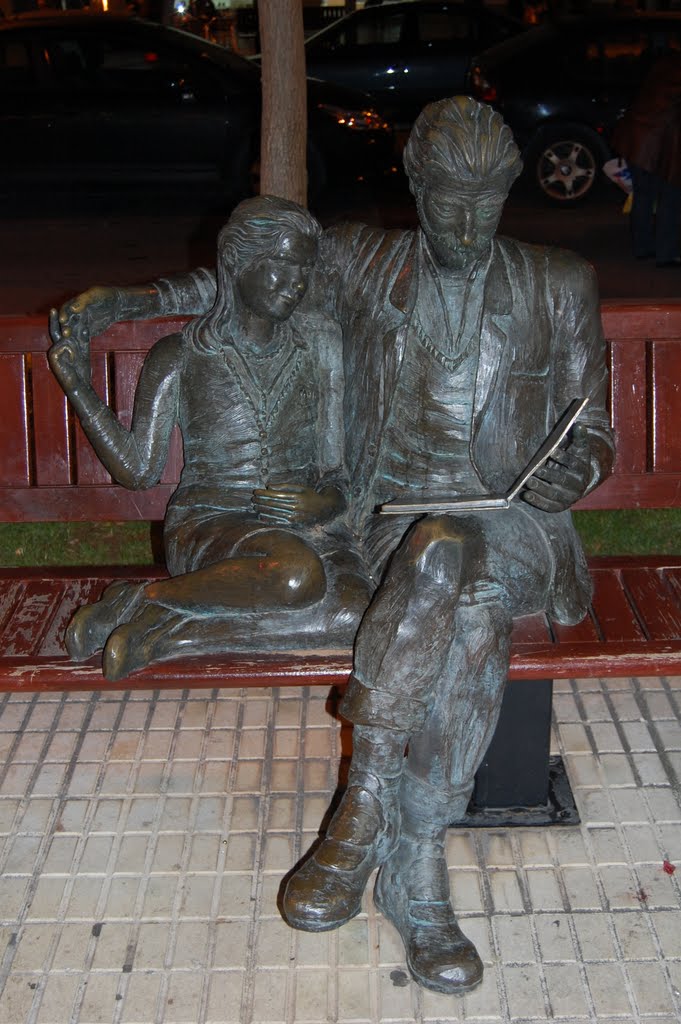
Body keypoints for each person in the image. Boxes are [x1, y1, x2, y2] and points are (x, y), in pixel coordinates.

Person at [56, 97, 613, 994]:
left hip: (512, 522)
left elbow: (594, 431)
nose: (465, 224)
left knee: (451, 562)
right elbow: (242, 279)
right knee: (453, 592)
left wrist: (574, 472)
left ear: (509, 193)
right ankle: (417, 873)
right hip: (395, 517)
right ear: (415, 188)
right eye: (446, 201)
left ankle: (361, 816)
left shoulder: (557, 281)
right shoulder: (363, 262)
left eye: (485, 203)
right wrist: (129, 300)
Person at [49, 195, 371, 681]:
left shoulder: (320, 343)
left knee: (356, 613)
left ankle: (162, 626)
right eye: (282, 265)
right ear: (237, 264)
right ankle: (144, 601)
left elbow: (334, 472)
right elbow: (139, 471)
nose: (298, 282)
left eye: (304, 268)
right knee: (294, 575)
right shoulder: (180, 355)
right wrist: (78, 386)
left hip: (304, 527)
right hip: (211, 523)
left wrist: (321, 504)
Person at [612, 42, 681, 267]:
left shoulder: (663, 65)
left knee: (643, 196)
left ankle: (643, 248)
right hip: (660, 146)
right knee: (670, 198)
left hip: (638, 140)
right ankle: (666, 253)